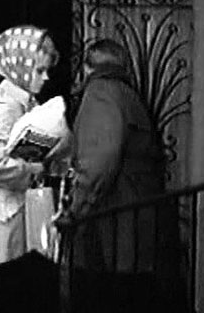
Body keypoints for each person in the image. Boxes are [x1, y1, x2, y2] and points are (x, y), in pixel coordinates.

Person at [60, 39, 180, 279]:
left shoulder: (101, 92)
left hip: (112, 218)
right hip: (135, 217)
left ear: (87, 68)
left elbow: (98, 162)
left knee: (103, 288)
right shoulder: (126, 94)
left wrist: (75, 210)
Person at [0, 25, 60, 266]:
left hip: (13, 212)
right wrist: (33, 169)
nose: (46, 78)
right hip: (1, 217)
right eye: (39, 70)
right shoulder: (6, 107)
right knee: (1, 277)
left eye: (47, 70)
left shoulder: (24, 102)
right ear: (20, 67)